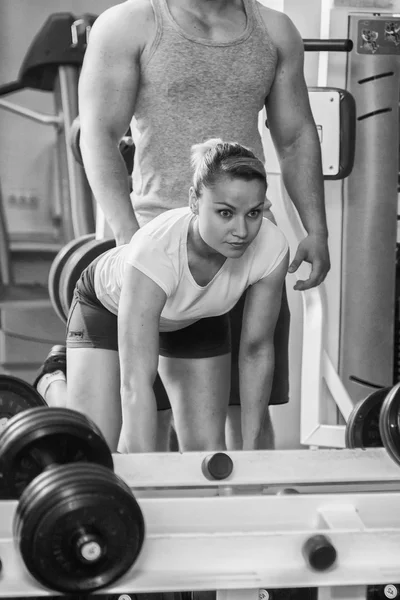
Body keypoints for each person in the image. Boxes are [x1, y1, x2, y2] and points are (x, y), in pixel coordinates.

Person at [35, 0, 330, 450]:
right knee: (132, 434)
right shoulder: (131, 24)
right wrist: (130, 239)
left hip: (237, 251)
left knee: (239, 428)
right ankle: (58, 382)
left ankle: (245, 513)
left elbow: (295, 136)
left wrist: (317, 229)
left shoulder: (275, 31)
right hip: (153, 245)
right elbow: (98, 133)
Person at [42, 139, 288, 453]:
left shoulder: (270, 247)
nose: (241, 230)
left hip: (195, 319)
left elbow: (255, 351)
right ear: (195, 202)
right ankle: (55, 381)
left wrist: (254, 454)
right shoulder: (157, 250)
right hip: (106, 309)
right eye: (225, 213)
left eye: (253, 213)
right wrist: (146, 478)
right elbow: (135, 383)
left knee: (206, 456)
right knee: (94, 450)